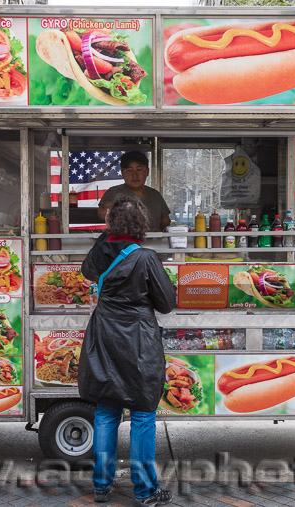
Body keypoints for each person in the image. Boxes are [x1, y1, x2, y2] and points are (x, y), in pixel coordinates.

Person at [79, 195, 176, 506]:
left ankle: (101, 487)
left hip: (104, 338)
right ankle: (146, 491)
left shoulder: (100, 253)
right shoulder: (146, 258)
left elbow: (87, 273)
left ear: (110, 225)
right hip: (138, 343)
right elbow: (167, 303)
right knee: (143, 415)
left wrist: (107, 237)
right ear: (141, 225)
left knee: (107, 412)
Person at [98, 151, 172, 232]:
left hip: (154, 243)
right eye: (129, 170)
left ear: (147, 172)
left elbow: (166, 225)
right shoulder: (114, 193)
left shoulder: (155, 195)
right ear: (122, 173)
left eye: (139, 170)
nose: (135, 175)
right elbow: (102, 215)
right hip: (125, 243)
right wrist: (107, 208)